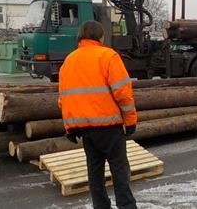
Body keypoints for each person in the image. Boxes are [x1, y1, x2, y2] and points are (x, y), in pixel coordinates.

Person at [58, 20, 138, 209]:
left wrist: (70, 127)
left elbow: (64, 98)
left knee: (94, 172)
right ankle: (127, 206)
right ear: (100, 36)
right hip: (109, 127)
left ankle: (101, 206)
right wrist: (130, 121)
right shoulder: (108, 56)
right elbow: (123, 93)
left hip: (84, 130)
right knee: (119, 170)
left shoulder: (69, 60)